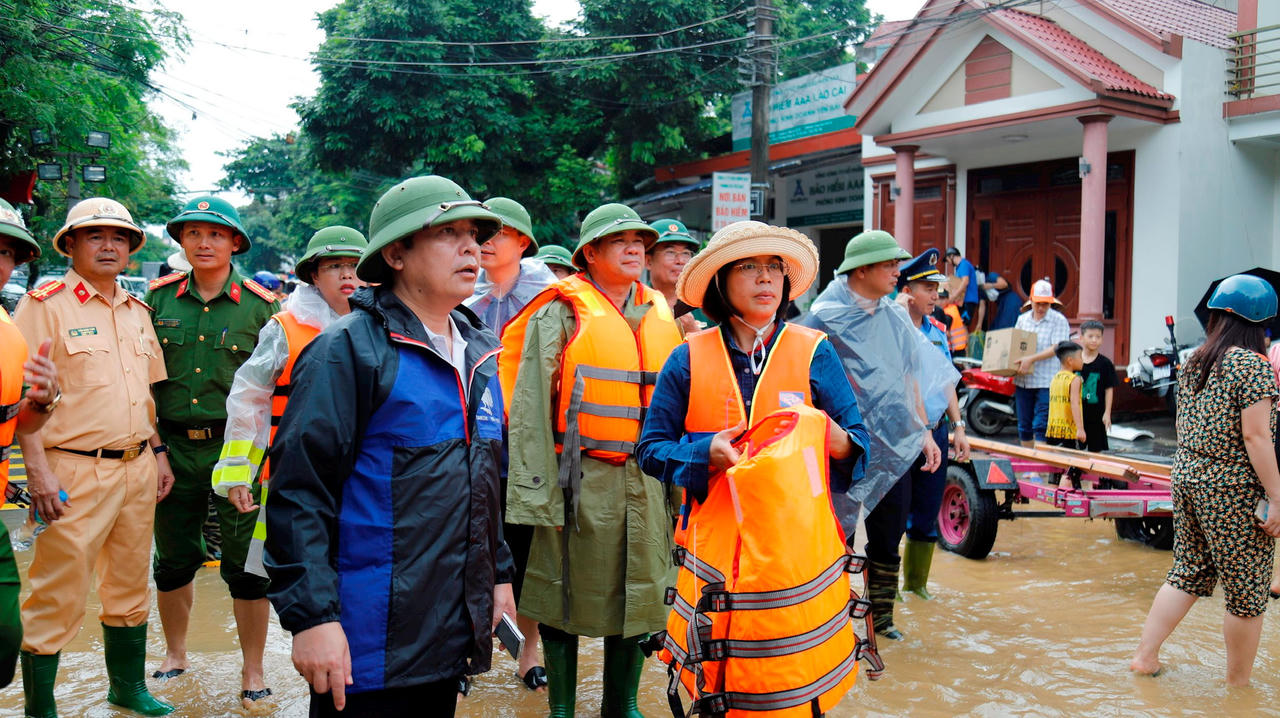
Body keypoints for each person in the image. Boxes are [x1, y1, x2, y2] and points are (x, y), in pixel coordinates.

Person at [264, 175, 515, 716]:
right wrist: (313, 619)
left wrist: (497, 575)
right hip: (365, 637)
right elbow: (299, 495)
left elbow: (486, 481)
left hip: (448, 625)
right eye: (449, 233)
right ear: (397, 253)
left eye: (474, 233)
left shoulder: (479, 351)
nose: (472, 247)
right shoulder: (348, 351)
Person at [635, 221, 872, 713]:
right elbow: (651, 450)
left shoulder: (815, 351)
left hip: (796, 559)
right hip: (714, 556)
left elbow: (861, 448)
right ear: (721, 282)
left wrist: (838, 441)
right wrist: (704, 453)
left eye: (774, 269)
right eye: (749, 267)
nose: (766, 279)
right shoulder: (687, 359)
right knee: (717, 688)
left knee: (795, 689)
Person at [501, 202, 683, 717]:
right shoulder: (560, 311)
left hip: (647, 476)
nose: (634, 248)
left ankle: (620, 703)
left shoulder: (660, 313)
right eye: (619, 240)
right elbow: (531, 404)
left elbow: (681, 407)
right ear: (590, 253)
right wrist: (536, 492)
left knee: (642, 591)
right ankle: (561, 707)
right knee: (563, 593)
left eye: (639, 242)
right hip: (576, 477)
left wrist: (681, 485)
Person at [13, 198, 173, 717]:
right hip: (71, 467)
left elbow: (143, 396)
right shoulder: (45, 305)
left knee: (130, 582)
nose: (109, 246)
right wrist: (35, 469)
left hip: (137, 465)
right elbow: (22, 395)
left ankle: (126, 687)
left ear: (130, 249)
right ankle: (40, 706)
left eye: (119, 238)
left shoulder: (137, 309)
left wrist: (158, 454)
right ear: (72, 244)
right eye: (95, 236)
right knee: (57, 588)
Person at [210, 227, 369, 685]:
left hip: (362, 481)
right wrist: (238, 471)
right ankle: (254, 671)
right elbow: (248, 400)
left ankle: (355, 672)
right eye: (333, 266)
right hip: (292, 480)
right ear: (314, 276)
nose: (347, 276)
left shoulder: (389, 326)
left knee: (357, 575)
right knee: (263, 574)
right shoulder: (285, 329)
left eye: (355, 266)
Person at [145, 196, 280, 701]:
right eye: (194, 233)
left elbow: (275, 387)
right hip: (171, 448)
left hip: (240, 452)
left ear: (235, 243)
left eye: (216, 234)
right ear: (181, 241)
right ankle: (176, 654)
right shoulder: (155, 303)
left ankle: (253, 670)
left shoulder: (263, 307)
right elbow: (141, 383)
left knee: (247, 565)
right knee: (174, 560)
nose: (204, 242)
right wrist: (154, 450)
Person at [799, 230, 957, 640]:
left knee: (889, 537)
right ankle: (828, 622)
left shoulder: (894, 319)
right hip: (840, 449)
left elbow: (909, 378)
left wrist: (922, 431)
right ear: (862, 269)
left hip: (893, 445)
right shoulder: (821, 320)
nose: (896, 272)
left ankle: (880, 620)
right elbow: (805, 389)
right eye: (888, 265)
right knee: (836, 538)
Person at [1131, 274, 1280, 686]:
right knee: (1247, 592)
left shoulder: (1195, 358)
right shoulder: (1252, 365)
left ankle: (1145, 657)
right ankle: (1239, 689)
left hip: (1189, 476)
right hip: (1232, 487)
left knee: (1188, 572)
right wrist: (1277, 496)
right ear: (1260, 324)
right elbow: (1256, 436)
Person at [463, 196, 554, 692]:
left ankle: (526, 651)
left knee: (524, 554)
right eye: (481, 235)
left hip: (529, 450)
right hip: (471, 444)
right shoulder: (458, 298)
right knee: (465, 547)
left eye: (499, 234)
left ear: (523, 242)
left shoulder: (552, 302)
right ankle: (462, 652)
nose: (486, 244)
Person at [0, 199, 59, 691]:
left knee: (4, 639)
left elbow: (22, 424)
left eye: (5, 252)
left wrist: (43, 400)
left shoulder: (10, 334)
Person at [894, 250, 971, 604]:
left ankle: (916, 586)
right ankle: (885, 591)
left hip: (936, 429)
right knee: (892, 517)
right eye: (927, 288)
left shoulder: (939, 331)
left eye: (937, 289)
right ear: (907, 289)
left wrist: (958, 427)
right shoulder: (892, 327)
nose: (935, 296)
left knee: (926, 511)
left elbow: (946, 383)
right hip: (901, 432)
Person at [466, 196, 556, 333]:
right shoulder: (461, 291)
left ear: (523, 243)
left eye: (500, 233)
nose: (486, 240)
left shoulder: (545, 295)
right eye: (481, 232)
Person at [1012, 279, 1072, 447]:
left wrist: (1031, 358)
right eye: (1038, 303)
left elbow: (1057, 347)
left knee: (1040, 425)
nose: (1041, 308)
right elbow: (1016, 344)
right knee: (1023, 425)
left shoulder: (1059, 320)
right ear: (1031, 301)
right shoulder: (1023, 319)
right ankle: (1028, 466)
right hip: (1024, 379)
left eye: (1045, 304)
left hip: (1046, 380)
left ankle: (1039, 468)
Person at [644, 218, 703, 333]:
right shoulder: (634, 305)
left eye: (686, 253)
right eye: (670, 252)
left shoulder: (705, 307)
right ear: (648, 261)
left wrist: (694, 331)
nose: (680, 261)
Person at [1078, 320, 1116, 451]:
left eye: (1098, 337)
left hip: (1096, 414)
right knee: (1075, 450)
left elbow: (1109, 389)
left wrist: (1107, 413)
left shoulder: (1105, 363)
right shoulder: (1074, 360)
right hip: (1077, 414)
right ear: (1081, 338)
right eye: (1090, 336)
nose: (1094, 340)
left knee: (1096, 451)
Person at [1044, 341, 1086, 454]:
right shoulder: (1074, 379)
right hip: (1069, 432)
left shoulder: (1055, 377)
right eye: (1080, 357)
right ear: (1070, 361)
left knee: (1056, 466)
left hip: (1053, 430)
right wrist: (1080, 429)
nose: (1083, 360)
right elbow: (1074, 403)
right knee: (1072, 467)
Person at [945, 247, 978, 327]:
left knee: (963, 325)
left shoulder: (964, 264)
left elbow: (965, 281)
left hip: (968, 300)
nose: (948, 262)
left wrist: (954, 296)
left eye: (947, 260)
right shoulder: (959, 267)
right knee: (960, 324)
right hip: (962, 302)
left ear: (951, 256)